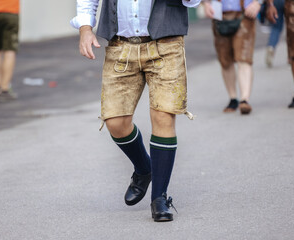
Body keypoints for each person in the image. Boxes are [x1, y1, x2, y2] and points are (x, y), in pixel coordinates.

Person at [70, 0, 200, 222]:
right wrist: (85, 28)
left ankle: (159, 197)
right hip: (120, 46)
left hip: (166, 45)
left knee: (163, 115)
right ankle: (144, 168)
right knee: (115, 122)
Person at [203, 0, 262, 114]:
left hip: (244, 14)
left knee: (244, 59)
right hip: (219, 16)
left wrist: (257, 2)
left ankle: (244, 99)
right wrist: (206, 3)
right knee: (225, 61)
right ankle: (233, 98)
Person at [265, 0, 285, 68]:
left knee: (275, 27)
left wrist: (270, 4)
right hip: (289, 3)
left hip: (275, 2)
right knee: (292, 28)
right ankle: (291, 56)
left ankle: (271, 45)